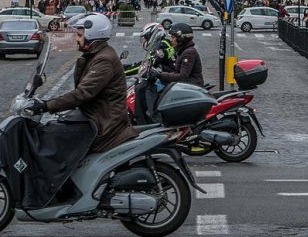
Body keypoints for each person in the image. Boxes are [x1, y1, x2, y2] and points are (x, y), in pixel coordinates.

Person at [26, 13, 138, 153]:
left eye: (79, 35)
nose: (77, 39)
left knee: (54, 136)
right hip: (95, 115)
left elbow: (82, 93)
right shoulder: (97, 55)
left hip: (104, 124)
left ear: (91, 36)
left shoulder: (104, 60)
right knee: (55, 128)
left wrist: (46, 105)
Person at [152, 22, 204, 87]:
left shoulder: (189, 53)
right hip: (186, 85)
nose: (171, 40)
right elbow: (177, 72)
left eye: (173, 37)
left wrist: (160, 75)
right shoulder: (182, 50)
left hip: (192, 87)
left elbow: (182, 76)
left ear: (181, 38)